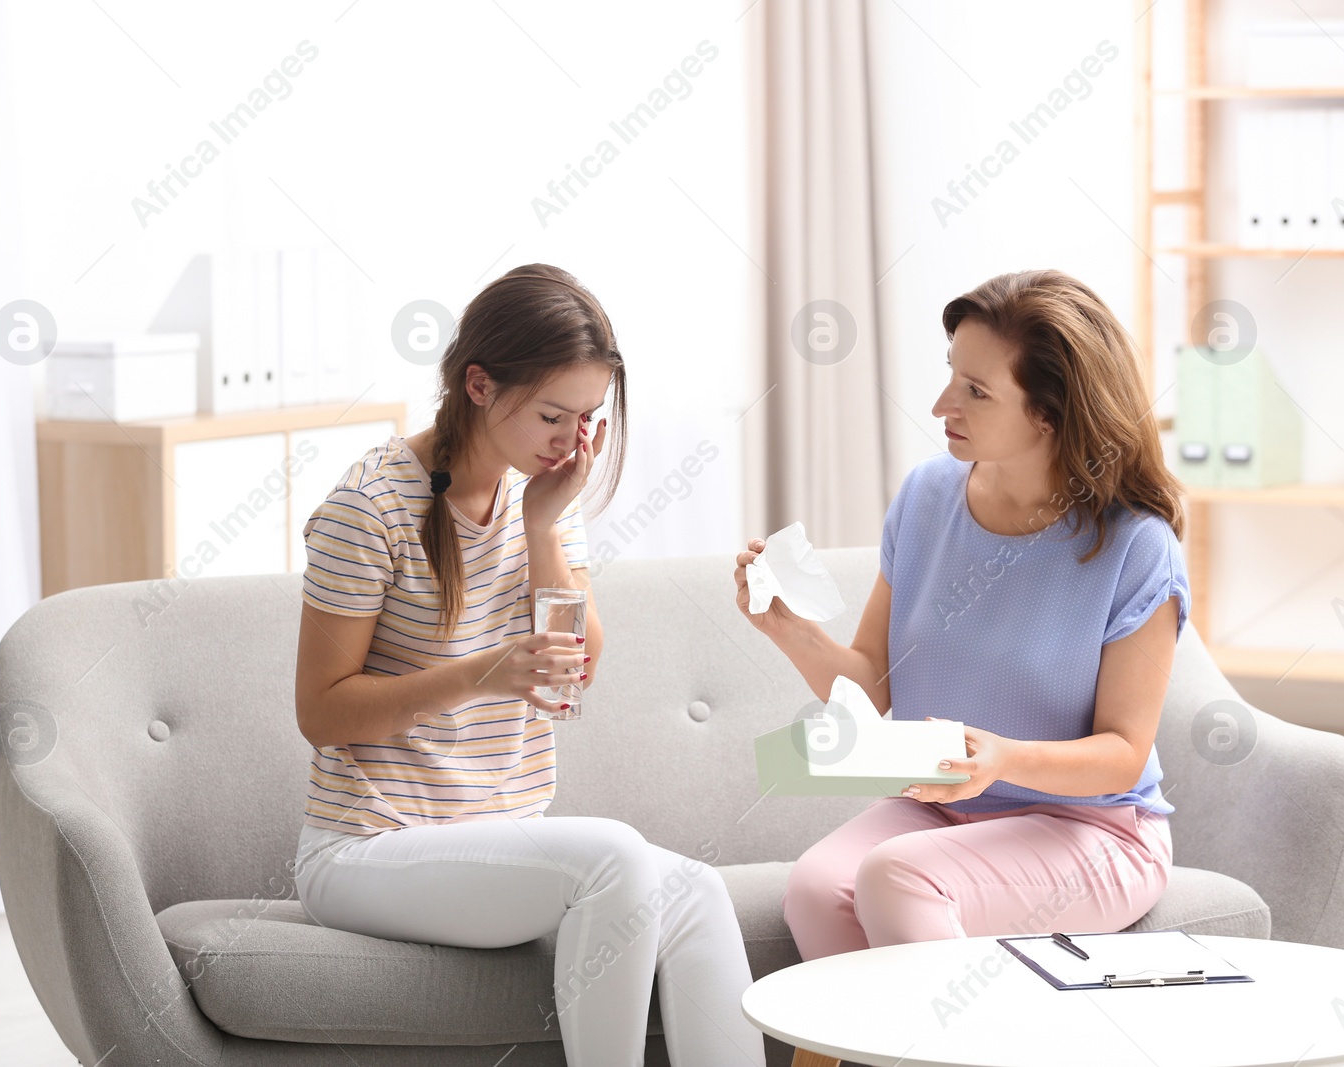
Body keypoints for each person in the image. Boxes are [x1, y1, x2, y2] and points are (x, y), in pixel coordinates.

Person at [293, 263, 766, 1065]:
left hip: (495, 835)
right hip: (366, 848)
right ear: (479, 384)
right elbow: (322, 711)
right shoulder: (369, 505)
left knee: (698, 893)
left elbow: (576, 666)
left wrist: (546, 526)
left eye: (587, 417)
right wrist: (484, 671)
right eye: (554, 413)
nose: (570, 440)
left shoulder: (538, 494)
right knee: (615, 856)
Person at [737, 268, 1189, 958]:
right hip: (943, 806)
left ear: (1050, 413)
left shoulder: (1134, 546)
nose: (942, 402)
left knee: (899, 877)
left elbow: (1123, 755)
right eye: (953, 374)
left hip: (1095, 828)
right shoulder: (926, 497)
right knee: (816, 887)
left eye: (976, 391)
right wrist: (786, 626)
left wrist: (1003, 758)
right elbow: (871, 684)